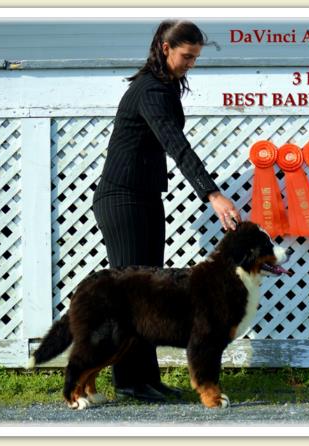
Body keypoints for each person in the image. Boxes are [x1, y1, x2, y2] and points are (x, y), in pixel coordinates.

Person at [92, 20, 242, 402]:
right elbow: (176, 145)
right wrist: (212, 194)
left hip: (144, 196)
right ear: (164, 47)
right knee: (132, 294)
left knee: (150, 293)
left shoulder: (165, 86)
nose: (191, 63)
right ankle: (128, 380)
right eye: (186, 56)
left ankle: (146, 378)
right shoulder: (150, 90)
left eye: (195, 58)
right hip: (121, 198)